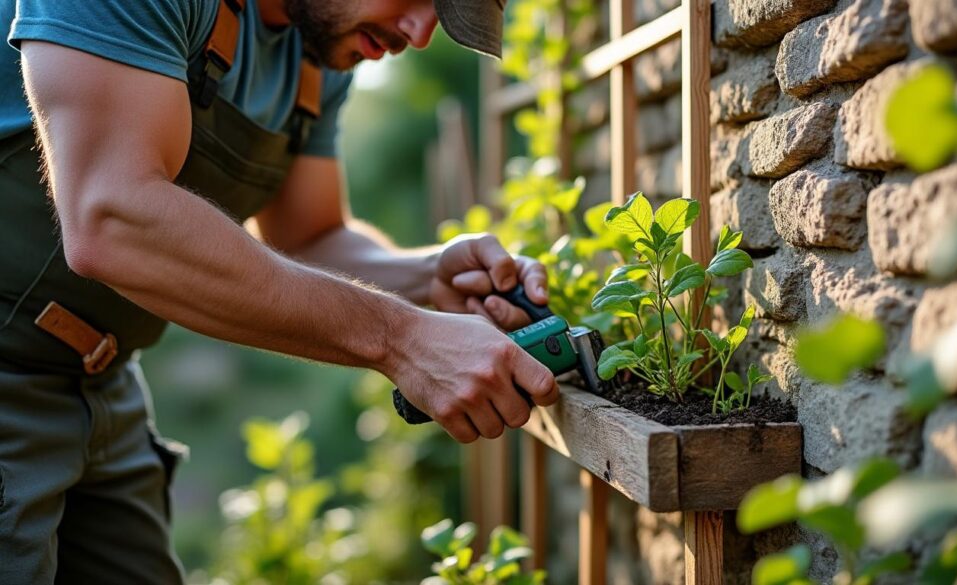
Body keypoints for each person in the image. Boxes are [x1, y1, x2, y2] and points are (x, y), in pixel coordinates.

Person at [0, 0, 558, 582]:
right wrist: (401, 337)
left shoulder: (321, 47)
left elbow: (308, 236)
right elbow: (111, 221)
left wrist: (427, 275)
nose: (420, 34)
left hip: (103, 385)